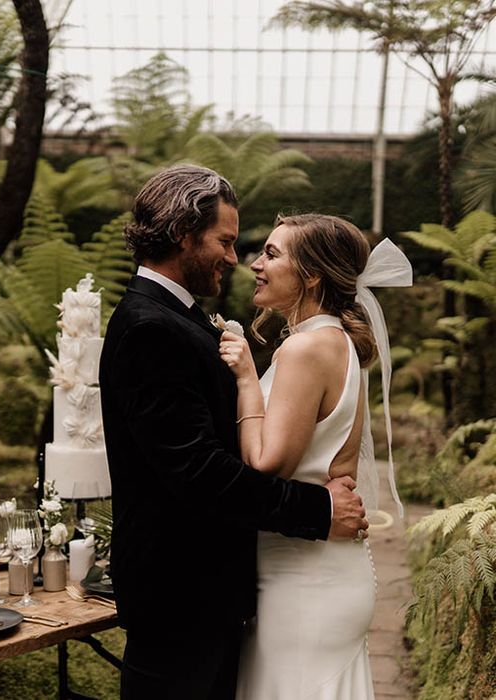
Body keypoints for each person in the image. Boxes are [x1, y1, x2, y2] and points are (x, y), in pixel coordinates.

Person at [99, 165, 369, 700]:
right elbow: (199, 473)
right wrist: (318, 510)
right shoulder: (151, 328)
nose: (235, 257)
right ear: (184, 235)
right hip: (180, 597)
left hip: (218, 595)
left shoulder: (184, 321)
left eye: (261, 251)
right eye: (225, 241)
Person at [219, 213, 411, 699]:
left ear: (312, 274)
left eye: (272, 253)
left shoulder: (305, 349)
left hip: (302, 578)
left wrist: (245, 377)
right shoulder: (338, 342)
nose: (255, 263)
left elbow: (266, 464)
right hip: (319, 566)